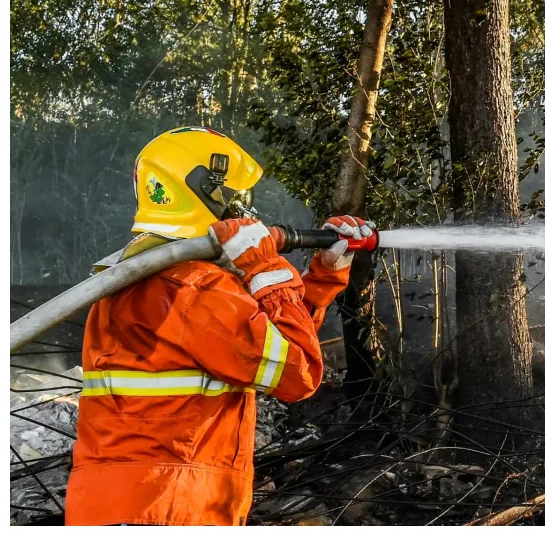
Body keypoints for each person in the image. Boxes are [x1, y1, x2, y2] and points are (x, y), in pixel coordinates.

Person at [64, 126, 373, 526]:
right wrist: (263, 266)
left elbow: (266, 343)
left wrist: (324, 276)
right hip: (169, 505)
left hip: (134, 503)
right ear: (208, 192)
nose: (248, 209)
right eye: (241, 196)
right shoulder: (190, 290)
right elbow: (298, 374)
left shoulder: (145, 278)